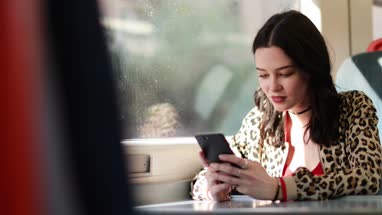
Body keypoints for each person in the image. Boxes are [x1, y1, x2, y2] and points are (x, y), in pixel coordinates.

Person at [190, 10, 382, 202]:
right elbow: (201, 178)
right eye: (263, 75)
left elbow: (370, 176)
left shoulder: (353, 108)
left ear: (310, 69)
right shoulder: (259, 121)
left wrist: (279, 188)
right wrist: (211, 188)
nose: (272, 87)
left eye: (285, 74)